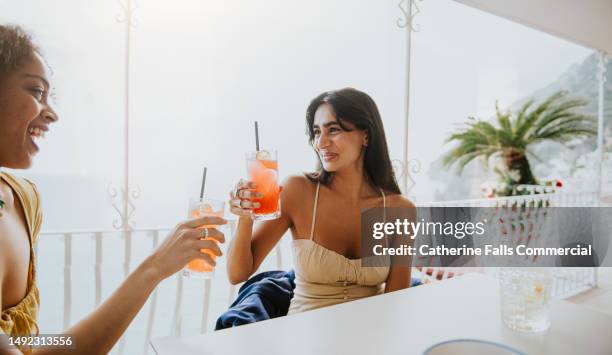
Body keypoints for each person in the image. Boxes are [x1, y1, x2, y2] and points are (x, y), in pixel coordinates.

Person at [0, 25, 226, 354]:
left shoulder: (23, 199)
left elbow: (29, 345)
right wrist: (153, 268)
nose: (52, 113)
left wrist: (154, 268)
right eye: (36, 91)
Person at [227, 87, 415, 314]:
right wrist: (245, 218)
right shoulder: (298, 191)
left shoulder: (400, 209)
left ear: (366, 135)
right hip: (306, 336)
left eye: (333, 130)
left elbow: (396, 301)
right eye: (317, 132)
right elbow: (238, 273)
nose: (321, 143)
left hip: (370, 336)